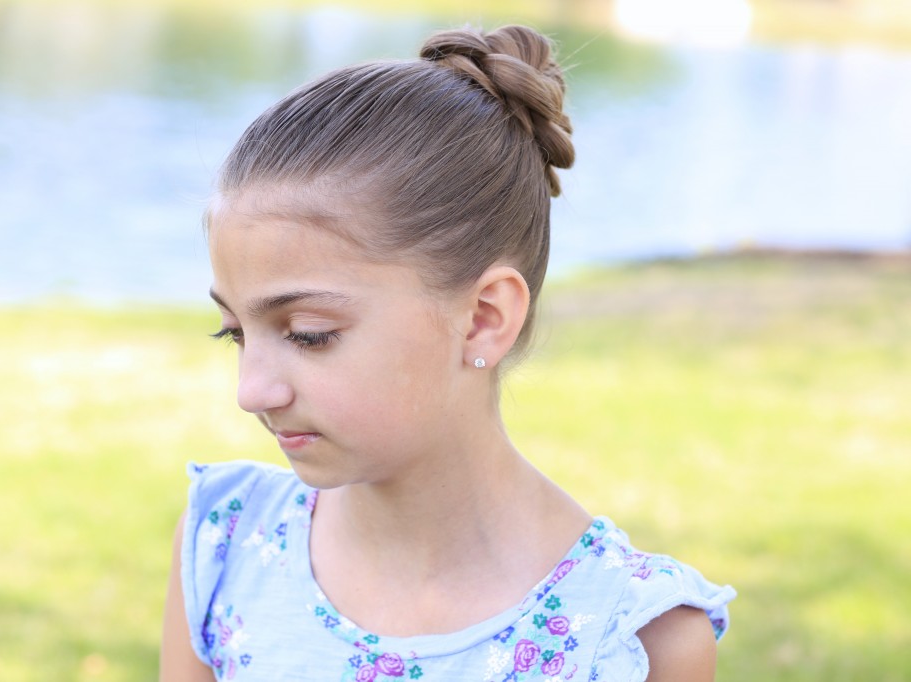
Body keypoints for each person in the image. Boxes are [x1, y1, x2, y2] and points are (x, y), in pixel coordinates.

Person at [159, 24, 735, 681]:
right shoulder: (226, 546)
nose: (252, 391)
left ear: (484, 319)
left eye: (309, 333)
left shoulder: (629, 637)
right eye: (234, 332)